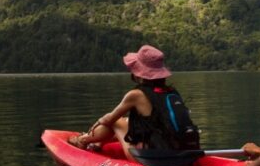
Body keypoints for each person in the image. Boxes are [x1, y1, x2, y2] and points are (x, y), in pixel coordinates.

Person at [68, 44, 199, 158]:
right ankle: (97, 143)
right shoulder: (172, 92)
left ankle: (83, 140)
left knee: (118, 122)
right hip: (181, 153)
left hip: (152, 158)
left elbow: (110, 119)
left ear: (138, 72)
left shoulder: (136, 95)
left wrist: (97, 123)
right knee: (128, 121)